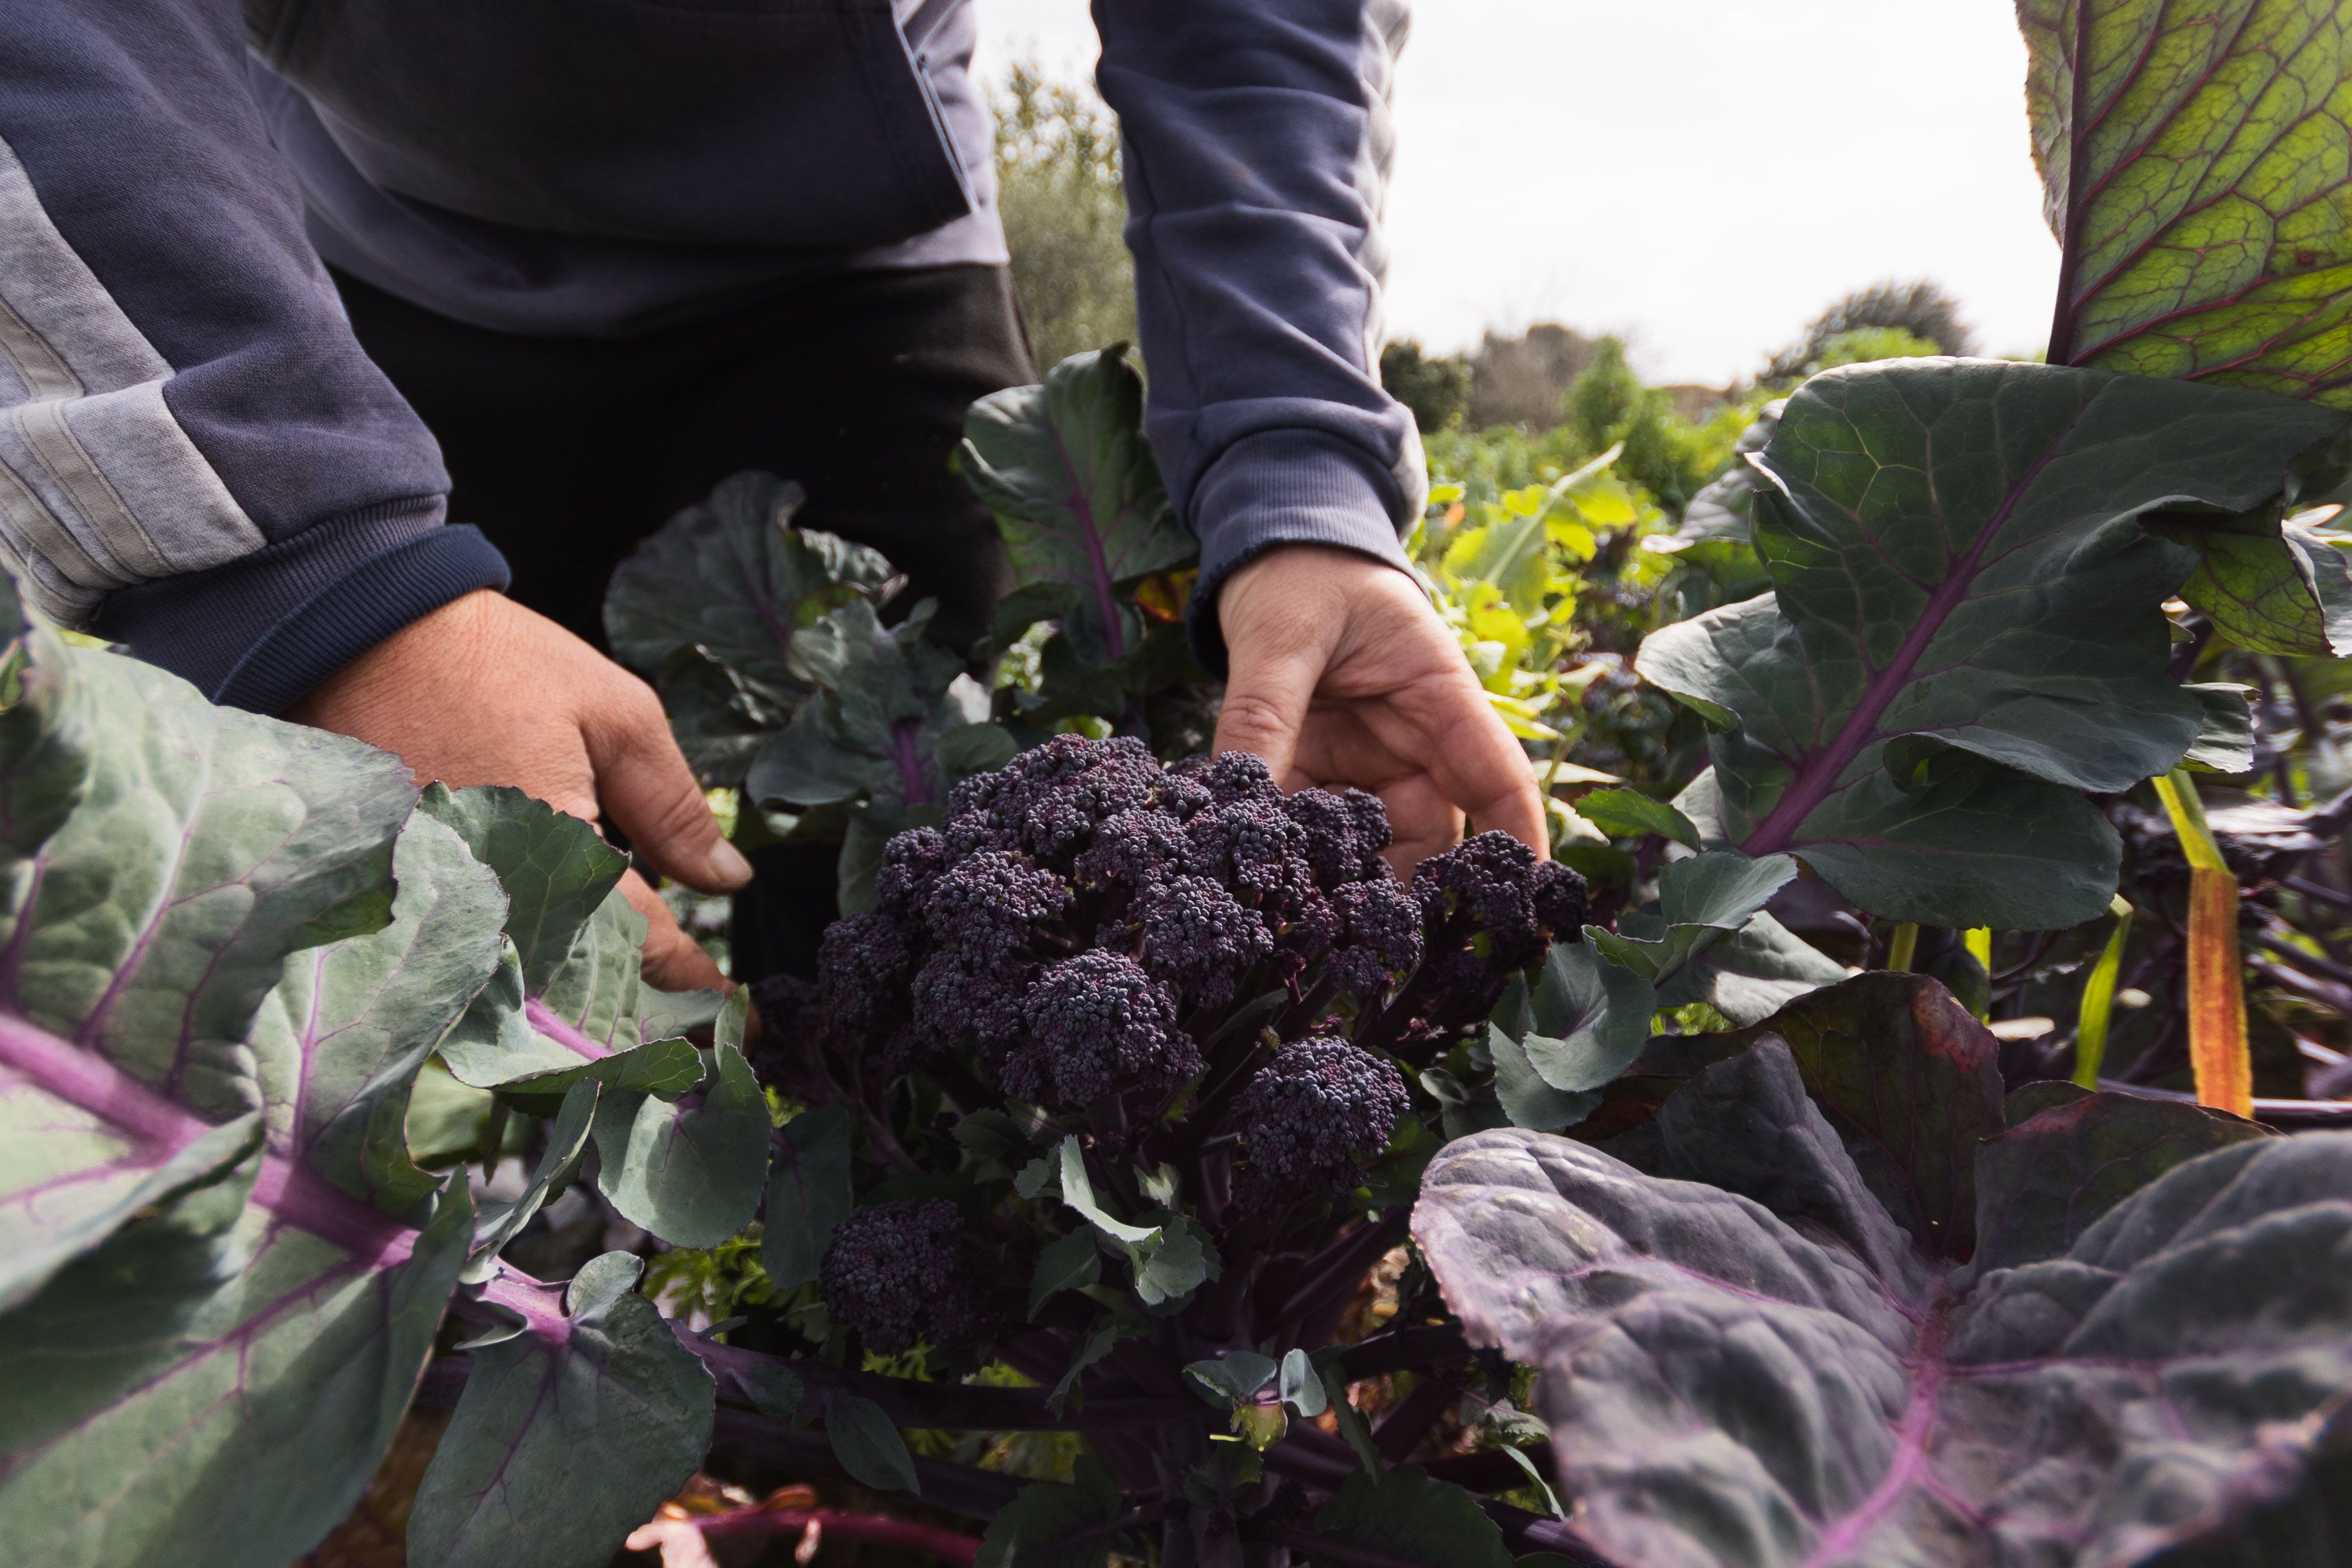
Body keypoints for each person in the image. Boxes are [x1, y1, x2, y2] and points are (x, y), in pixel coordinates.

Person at [0, 0, 1545, 992]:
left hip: (859, 247)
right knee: (419, 954)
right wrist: (307, 567)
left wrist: (1296, 474)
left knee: (931, 898)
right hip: (374, 242)